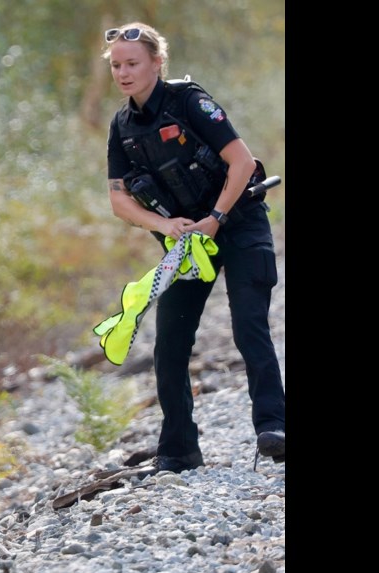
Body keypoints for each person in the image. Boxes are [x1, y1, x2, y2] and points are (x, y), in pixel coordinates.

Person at [102, 22, 285, 473]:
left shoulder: (189, 101)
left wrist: (216, 218)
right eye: (116, 66)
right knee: (171, 342)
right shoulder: (122, 126)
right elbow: (119, 199)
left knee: (248, 326)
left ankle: (274, 426)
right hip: (188, 245)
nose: (123, 73)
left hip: (238, 223)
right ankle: (179, 449)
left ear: (157, 63)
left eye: (133, 64)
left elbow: (242, 163)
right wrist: (165, 225)